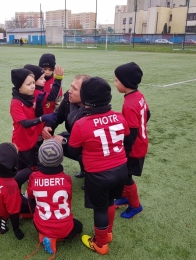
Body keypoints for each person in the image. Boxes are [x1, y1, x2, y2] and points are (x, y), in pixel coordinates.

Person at [68, 77, 130, 255]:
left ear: (85, 99)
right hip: (121, 170)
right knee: (110, 202)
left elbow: (72, 152)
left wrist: (88, 155)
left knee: (100, 208)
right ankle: (108, 233)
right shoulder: (119, 117)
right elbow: (127, 140)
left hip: (98, 174)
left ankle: (101, 244)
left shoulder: (81, 124)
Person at [27, 139, 82, 257]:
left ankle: (45, 234)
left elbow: (30, 196)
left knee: (30, 199)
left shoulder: (33, 177)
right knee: (79, 226)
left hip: (40, 225)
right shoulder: (66, 179)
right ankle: (55, 237)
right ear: (61, 159)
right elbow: (69, 199)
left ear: (40, 159)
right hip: (65, 228)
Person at [114, 62, 150, 219]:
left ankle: (135, 205)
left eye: (116, 80)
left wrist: (124, 150)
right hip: (141, 142)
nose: (114, 83)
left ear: (125, 82)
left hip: (135, 148)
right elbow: (148, 114)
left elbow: (132, 133)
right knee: (124, 174)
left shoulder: (129, 104)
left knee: (127, 176)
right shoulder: (138, 95)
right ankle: (125, 197)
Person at [42, 74, 91, 179]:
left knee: (83, 152)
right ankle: (51, 171)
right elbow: (57, 116)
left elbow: (90, 143)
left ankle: (90, 173)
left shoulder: (93, 109)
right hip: (76, 139)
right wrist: (48, 127)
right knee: (54, 142)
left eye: (75, 89)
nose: (70, 91)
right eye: (71, 86)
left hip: (91, 147)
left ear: (85, 93)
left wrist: (64, 141)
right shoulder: (68, 100)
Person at [0, 142, 32, 240]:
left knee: (29, 171)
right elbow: (14, 212)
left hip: (0, 194)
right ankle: (1, 218)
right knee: (34, 209)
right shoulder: (11, 187)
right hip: (6, 207)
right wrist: (16, 230)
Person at [10, 68, 58, 171]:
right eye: (28, 84)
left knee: (34, 163)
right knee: (24, 166)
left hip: (33, 137)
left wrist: (39, 106)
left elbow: (36, 114)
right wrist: (42, 118)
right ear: (19, 87)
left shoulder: (30, 97)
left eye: (33, 83)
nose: (33, 86)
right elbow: (25, 123)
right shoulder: (16, 103)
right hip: (22, 142)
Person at [23, 64, 64, 147]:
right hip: (36, 129)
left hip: (33, 128)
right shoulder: (37, 92)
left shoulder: (25, 92)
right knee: (33, 149)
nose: (44, 80)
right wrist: (58, 79)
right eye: (41, 78)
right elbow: (52, 96)